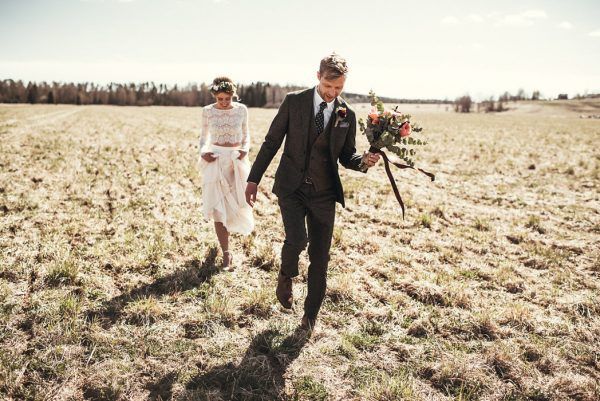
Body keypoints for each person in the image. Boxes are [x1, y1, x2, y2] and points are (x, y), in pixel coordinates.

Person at [245, 53, 380, 330]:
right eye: (329, 87)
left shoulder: (347, 114)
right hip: (291, 187)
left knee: (320, 255)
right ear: (318, 76)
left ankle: (310, 315)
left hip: (324, 193)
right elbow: (271, 142)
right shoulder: (294, 102)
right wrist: (253, 179)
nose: (332, 94)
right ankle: (286, 273)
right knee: (297, 239)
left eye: (339, 89)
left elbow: (347, 156)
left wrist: (363, 162)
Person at [199, 76, 254, 269]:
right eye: (220, 99)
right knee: (218, 208)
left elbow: (246, 136)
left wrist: (245, 149)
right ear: (214, 95)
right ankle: (226, 253)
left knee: (239, 204)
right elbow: (203, 138)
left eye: (227, 99)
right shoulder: (207, 111)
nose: (223, 103)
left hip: (236, 161)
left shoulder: (242, 110)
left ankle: (232, 240)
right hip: (215, 160)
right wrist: (203, 152)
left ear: (233, 95)